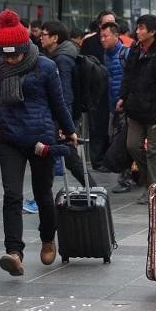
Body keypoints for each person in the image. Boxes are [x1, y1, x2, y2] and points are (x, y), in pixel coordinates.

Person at [0, 9, 77, 275]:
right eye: (5, 54)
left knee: (43, 193)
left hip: (40, 139)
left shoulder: (46, 66)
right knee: (12, 194)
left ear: (25, 47)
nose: (10, 59)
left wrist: (69, 130)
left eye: (14, 54)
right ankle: (14, 252)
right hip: (10, 137)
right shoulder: (1, 65)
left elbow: (58, 103)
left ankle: (47, 238)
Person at [117, 14, 156, 205]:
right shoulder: (135, 49)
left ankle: (155, 191)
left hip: (155, 110)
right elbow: (128, 75)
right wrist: (122, 97)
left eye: (142, 28)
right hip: (136, 108)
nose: (138, 31)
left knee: (154, 151)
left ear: (153, 32)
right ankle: (149, 181)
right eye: (138, 27)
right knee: (132, 145)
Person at [40, 20, 96, 187]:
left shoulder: (62, 59)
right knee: (61, 157)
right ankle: (93, 189)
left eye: (44, 35)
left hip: (62, 116)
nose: (40, 38)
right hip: (62, 116)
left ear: (55, 37)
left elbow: (65, 92)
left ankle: (93, 189)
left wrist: (65, 123)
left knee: (67, 157)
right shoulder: (59, 55)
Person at [98, 21, 134, 194]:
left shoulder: (125, 54)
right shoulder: (106, 55)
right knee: (120, 142)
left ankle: (126, 179)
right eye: (101, 37)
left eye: (106, 36)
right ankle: (129, 176)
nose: (103, 40)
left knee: (125, 144)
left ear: (115, 35)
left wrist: (125, 99)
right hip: (114, 107)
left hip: (127, 107)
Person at [80, 10, 116, 170]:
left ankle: (111, 159)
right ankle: (98, 160)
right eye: (107, 23)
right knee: (97, 127)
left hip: (113, 92)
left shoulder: (118, 43)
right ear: (99, 25)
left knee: (113, 128)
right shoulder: (90, 42)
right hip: (97, 92)